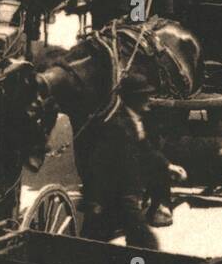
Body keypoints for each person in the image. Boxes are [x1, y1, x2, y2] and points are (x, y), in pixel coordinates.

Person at [79, 73, 186, 247]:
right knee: (145, 244)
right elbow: (97, 163)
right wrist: (94, 201)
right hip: (116, 197)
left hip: (125, 195)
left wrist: (168, 166)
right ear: (135, 99)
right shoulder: (117, 125)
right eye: (145, 97)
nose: (149, 101)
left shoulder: (133, 120)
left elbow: (146, 149)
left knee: (95, 243)